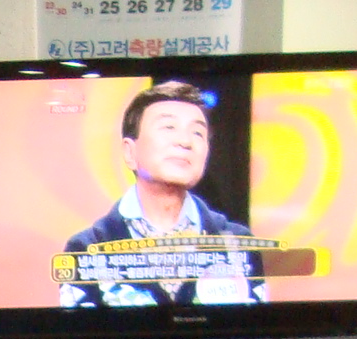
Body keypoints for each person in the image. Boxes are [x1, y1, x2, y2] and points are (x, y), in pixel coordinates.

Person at [59, 80, 268, 309]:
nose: (185, 142)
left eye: (197, 133)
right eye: (168, 127)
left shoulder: (238, 246)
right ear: (130, 152)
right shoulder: (87, 248)